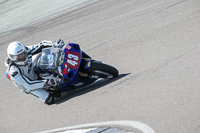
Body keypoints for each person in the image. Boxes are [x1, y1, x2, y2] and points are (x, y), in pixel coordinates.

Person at [5, 40, 64, 105]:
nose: (22, 57)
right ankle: (49, 89)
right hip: (29, 85)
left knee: (48, 61)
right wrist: (47, 82)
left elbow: (40, 45)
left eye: (22, 54)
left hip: (33, 71)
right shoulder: (14, 71)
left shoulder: (26, 51)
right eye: (18, 56)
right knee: (50, 99)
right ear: (12, 57)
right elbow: (29, 85)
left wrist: (53, 43)